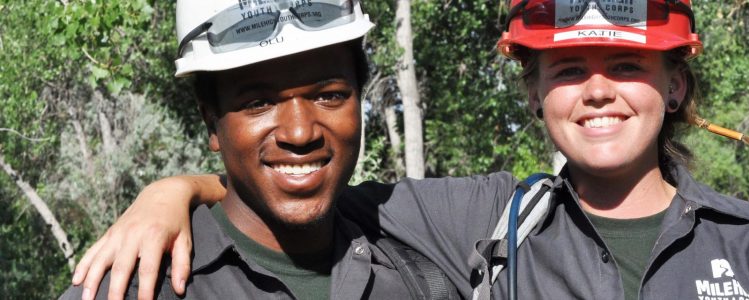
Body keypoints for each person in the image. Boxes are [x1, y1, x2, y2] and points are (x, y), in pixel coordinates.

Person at [70, 0, 749, 299]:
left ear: (675, 86)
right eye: (570, 68)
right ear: (534, 90)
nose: (599, 91)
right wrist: (175, 191)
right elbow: (291, 185)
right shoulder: (493, 225)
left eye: (630, 67)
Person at [60, 0, 457, 299]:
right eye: (258, 104)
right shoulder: (135, 287)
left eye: (330, 95)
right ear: (211, 123)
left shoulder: (425, 247)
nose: (300, 133)